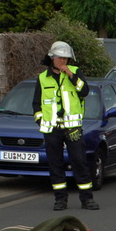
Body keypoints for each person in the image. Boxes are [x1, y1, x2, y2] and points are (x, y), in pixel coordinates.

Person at [32, 41, 99, 211]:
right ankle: (60, 200)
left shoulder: (75, 72)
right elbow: (36, 104)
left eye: (65, 58)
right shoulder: (42, 78)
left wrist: (69, 74)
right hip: (52, 129)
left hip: (73, 128)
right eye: (59, 58)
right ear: (52, 58)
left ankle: (87, 199)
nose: (62, 61)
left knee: (80, 162)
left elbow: (84, 91)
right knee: (55, 165)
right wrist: (40, 120)